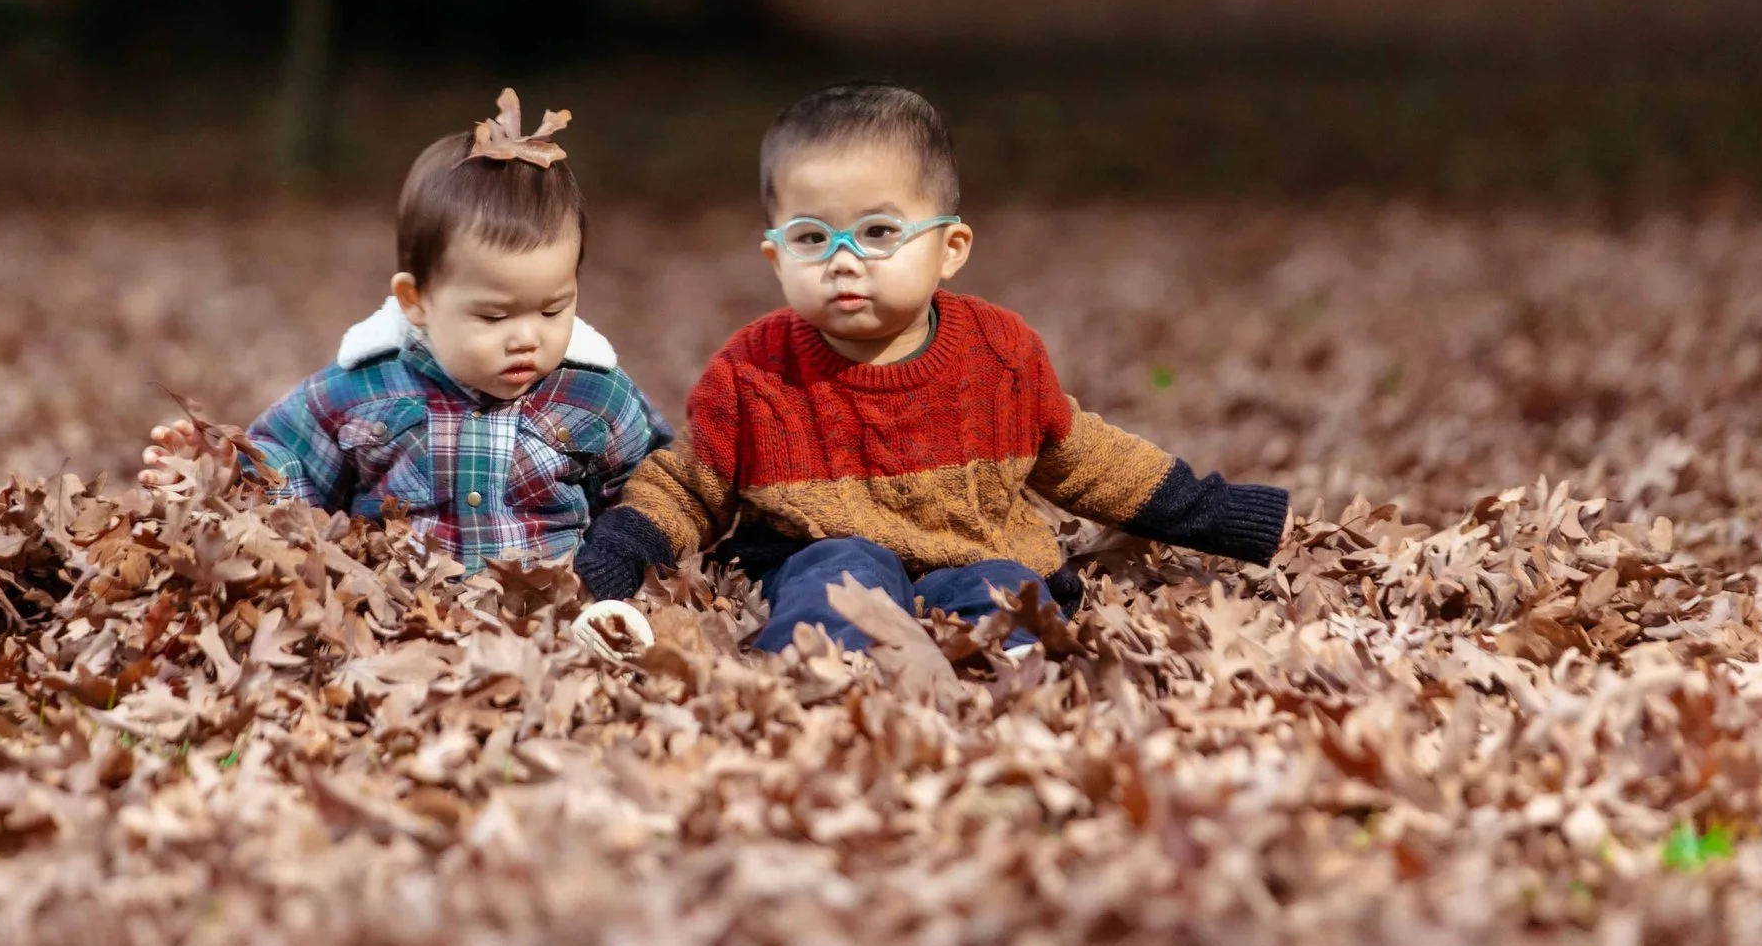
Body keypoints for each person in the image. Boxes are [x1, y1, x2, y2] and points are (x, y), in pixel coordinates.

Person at [572, 82, 1288, 652]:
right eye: (812, 236)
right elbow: (686, 486)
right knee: (836, 569)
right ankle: (833, 670)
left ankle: (1004, 668)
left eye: (880, 231)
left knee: (1009, 585)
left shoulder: (999, 354)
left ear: (949, 248)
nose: (844, 259)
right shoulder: (754, 371)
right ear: (776, 257)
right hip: (823, 562)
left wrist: (1227, 516)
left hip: (977, 555)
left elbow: (1089, 459)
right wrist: (620, 552)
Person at [143, 90, 669, 572]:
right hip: (403, 620)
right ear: (416, 301)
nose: (526, 337)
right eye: (493, 316)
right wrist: (227, 473)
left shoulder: (595, 394)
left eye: (553, 310)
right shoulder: (366, 389)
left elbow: (657, 489)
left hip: (552, 622)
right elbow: (290, 467)